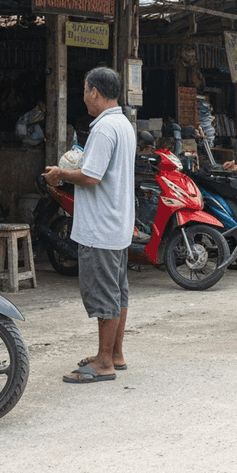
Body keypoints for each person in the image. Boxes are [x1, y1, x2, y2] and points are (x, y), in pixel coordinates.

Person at [44, 67, 135, 384]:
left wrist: (61, 174)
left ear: (95, 92)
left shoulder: (104, 130)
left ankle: (104, 363)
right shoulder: (123, 124)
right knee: (117, 294)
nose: (83, 99)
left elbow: (91, 176)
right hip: (117, 224)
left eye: (84, 92)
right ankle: (114, 354)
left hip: (101, 228)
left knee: (104, 296)